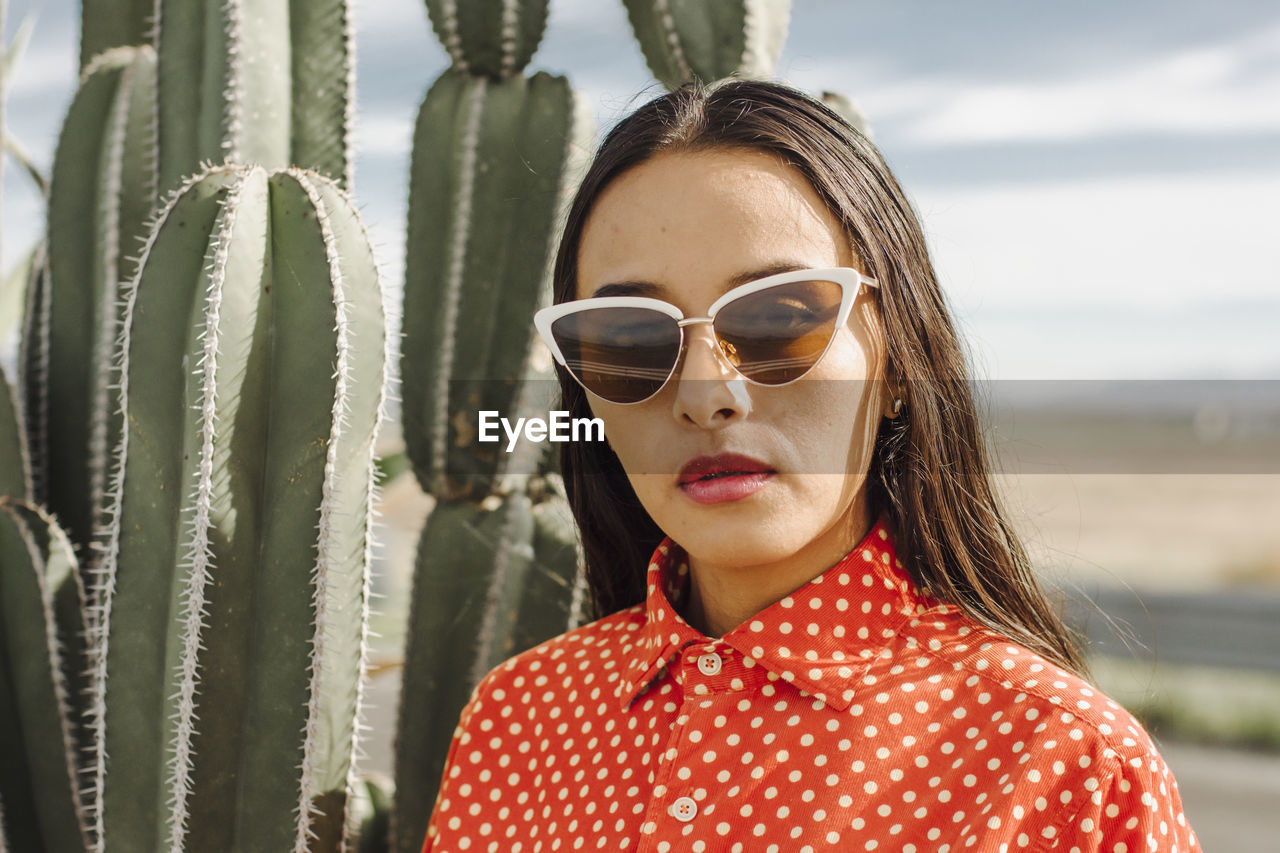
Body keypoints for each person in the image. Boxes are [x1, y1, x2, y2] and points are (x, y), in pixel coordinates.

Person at [420, 78, 1200, 852]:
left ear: (899, 361)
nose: (704, 395)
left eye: (779, 318)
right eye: (628, 339)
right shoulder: (520, 719)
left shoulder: (1066, 765)